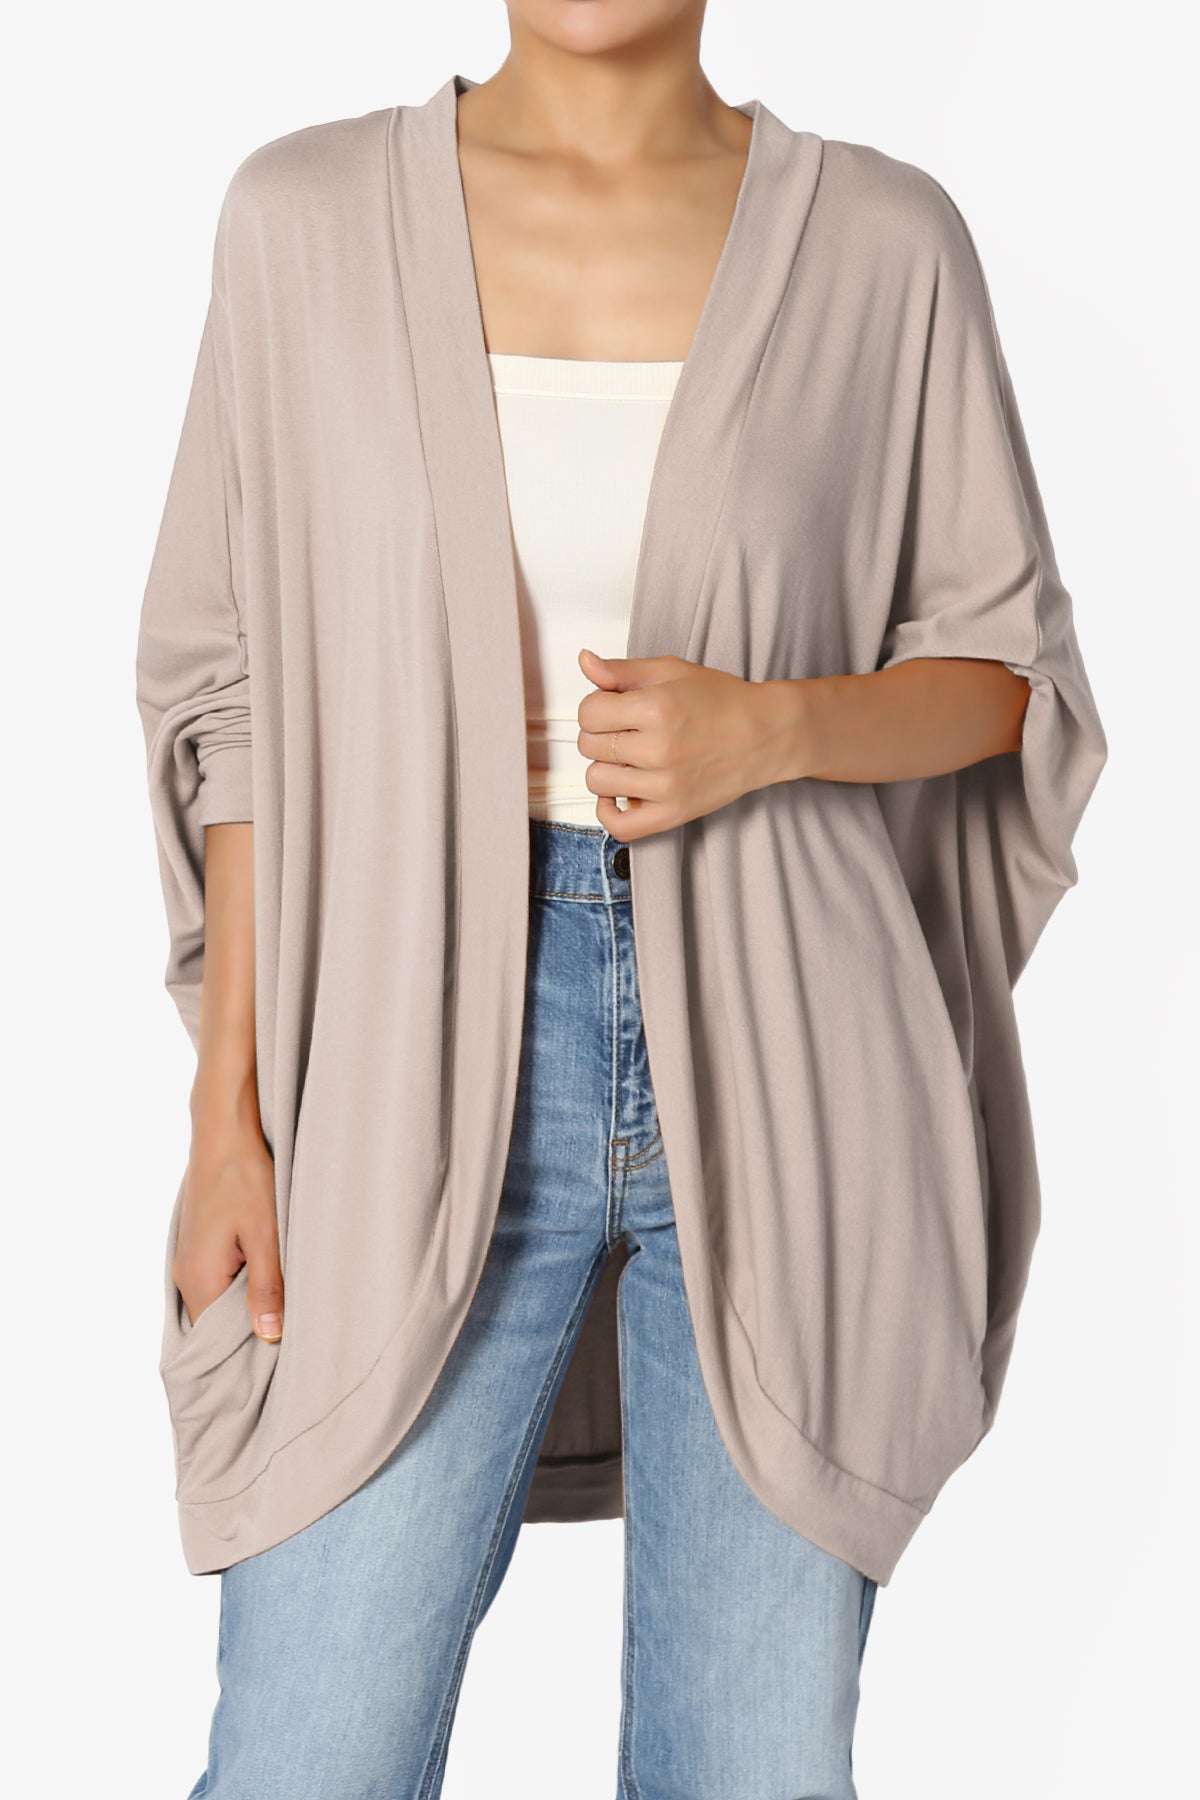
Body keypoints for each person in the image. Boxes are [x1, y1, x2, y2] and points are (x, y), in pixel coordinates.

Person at [136, 5, 1107, 1797]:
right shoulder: (305, 222)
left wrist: (774, 726)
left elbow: (1006, 676)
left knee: (753, 1771)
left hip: (794, 1056)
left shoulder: (883, 243)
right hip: (409, 1047)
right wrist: (228, 1123)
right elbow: (236, 698)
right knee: (305, 1758)